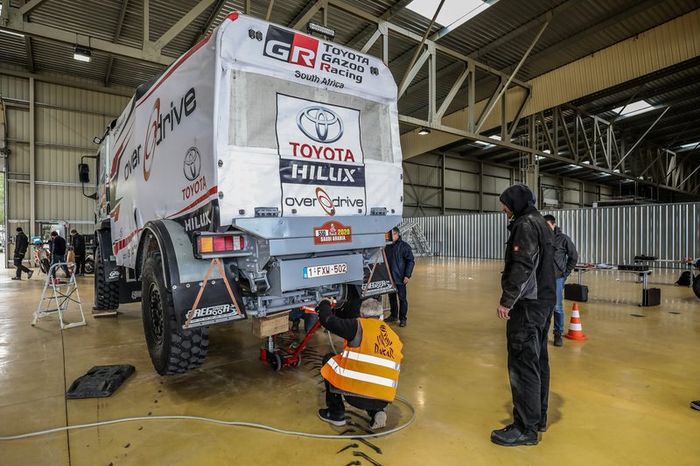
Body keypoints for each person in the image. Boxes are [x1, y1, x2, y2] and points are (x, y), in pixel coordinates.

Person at [492, 184, 556, 447]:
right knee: (537, 360)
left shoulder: (525, 224)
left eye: (505, 203)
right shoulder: (541, 222)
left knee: (522, 363)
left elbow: (523, 264)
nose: (503, 208)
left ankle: (525, 429)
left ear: (515, 203)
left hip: (528, 306)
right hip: (544, 302)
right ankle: (537, 417)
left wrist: (508, 300)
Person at [318, 298, 403, 430]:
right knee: (374, 373)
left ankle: (336, 413)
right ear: (381, 316)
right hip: (383, 399)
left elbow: (327, 320)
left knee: (329, 360)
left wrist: (325, 303)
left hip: (355, 397)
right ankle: (377, 411)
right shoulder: (394, 337)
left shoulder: (357, 326)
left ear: (362, 315)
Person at [543, 215, 578, 347]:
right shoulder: (542, 238)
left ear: (554, 224)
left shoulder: (563, 239)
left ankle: (558, 333)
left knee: (557, 307)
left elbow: (573, 257)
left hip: (557, 278)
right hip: (543, 279)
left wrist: (565, 273)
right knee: (544, 307)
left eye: (547, 225)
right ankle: (543, 332)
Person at [384, 227, 415, 327]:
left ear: (397, 234)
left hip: (400, 278)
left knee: (402, 299)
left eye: (391, 235)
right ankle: (393, 315)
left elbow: (410, 261)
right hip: (390, 278)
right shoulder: (387, 246)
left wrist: (407, 275)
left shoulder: (404, 246)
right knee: (392, 298)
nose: (388, 237)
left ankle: (403, 318)